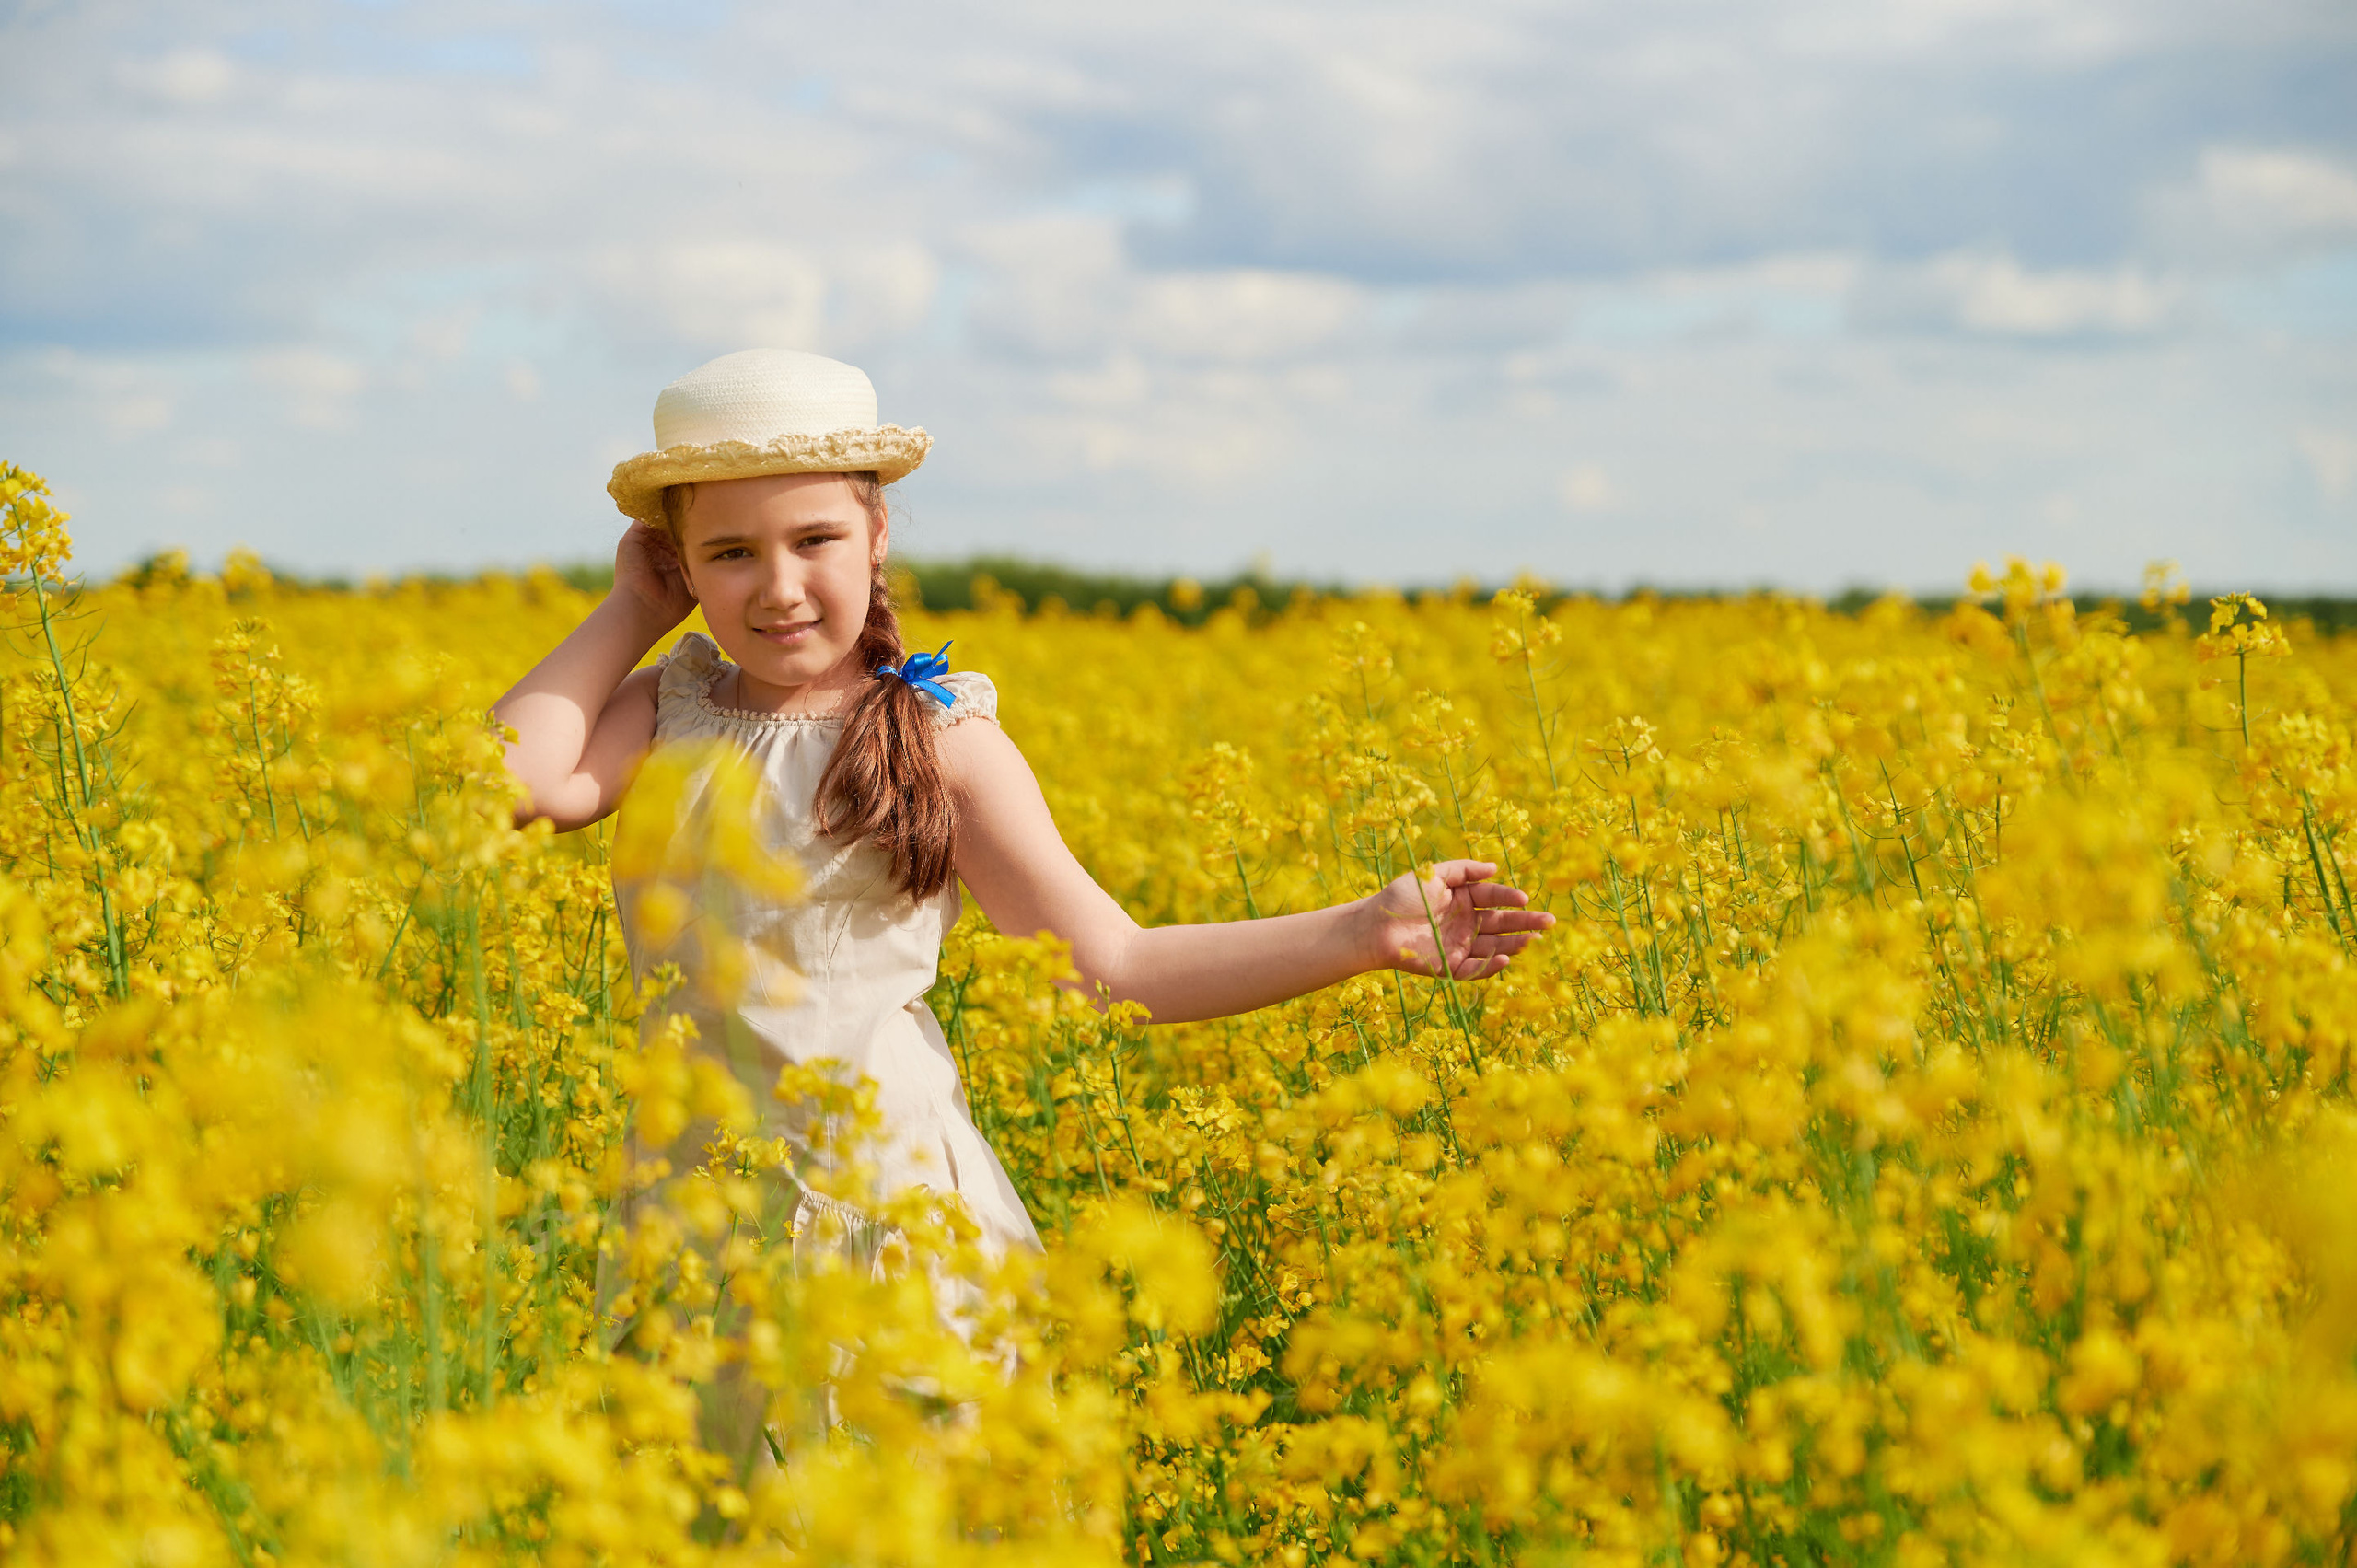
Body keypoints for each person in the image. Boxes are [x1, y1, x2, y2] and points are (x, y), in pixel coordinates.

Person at [492, 347, 1553, 1450]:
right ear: (680, 566)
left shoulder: (937, 739)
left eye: (815, 540)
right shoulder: (667, 710)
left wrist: (1365, 930)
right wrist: (630, 609)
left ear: (877, 533)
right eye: (729, 552)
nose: (779, 585)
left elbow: (1115, 965)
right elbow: (511, 785)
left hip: (878, 1219)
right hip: (697, 1220)